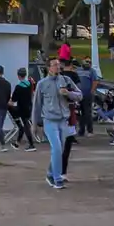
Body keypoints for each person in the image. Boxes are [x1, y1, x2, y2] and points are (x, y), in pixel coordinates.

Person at [35, 58, 80, 189]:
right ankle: (57, 178)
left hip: (63, 120)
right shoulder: (42, 84)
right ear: (49, 67)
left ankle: (50, 173)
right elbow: (37, 105)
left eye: (59, 65)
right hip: (49, 120)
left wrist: (69, 93)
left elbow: (80, 95)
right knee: (57, 148)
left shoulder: (66, 80)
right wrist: (35, 125)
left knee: (59, 151)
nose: (58, 67)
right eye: (55, 65)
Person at [9, 67, 36, 149]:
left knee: (24, 126)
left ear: (18, 76)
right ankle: (17, 143)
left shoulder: (18, 87)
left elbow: (13, 100)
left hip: (21, 109)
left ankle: (31, 145)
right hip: (29, 108)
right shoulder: (29, 84)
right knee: (25, 125)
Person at [77, 58, 98, 136]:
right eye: (86, 61)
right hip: (78, 95)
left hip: (87, 95)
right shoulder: (78, 70)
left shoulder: (92, 71)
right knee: (80, 114)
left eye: (89, 62)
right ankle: (81, 130)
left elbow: (95, 81)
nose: (88, 63)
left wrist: (92, 91)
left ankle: (90, 130)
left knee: (87, 113)